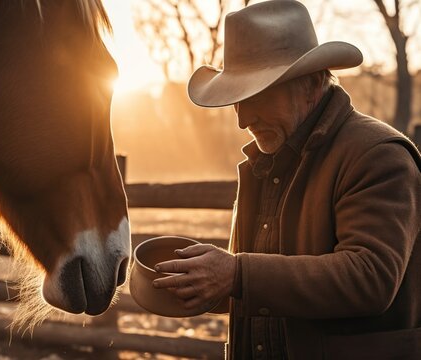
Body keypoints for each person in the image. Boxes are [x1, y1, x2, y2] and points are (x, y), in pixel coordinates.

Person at [151, 1, 421, 359]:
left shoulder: (377, 154)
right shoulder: (266, 162)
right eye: (236, 101)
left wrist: (236, 275)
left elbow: (370, 277)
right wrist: (206, 286)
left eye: (256, 96)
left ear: (310, 85)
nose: (242, 120)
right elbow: (268, 288)